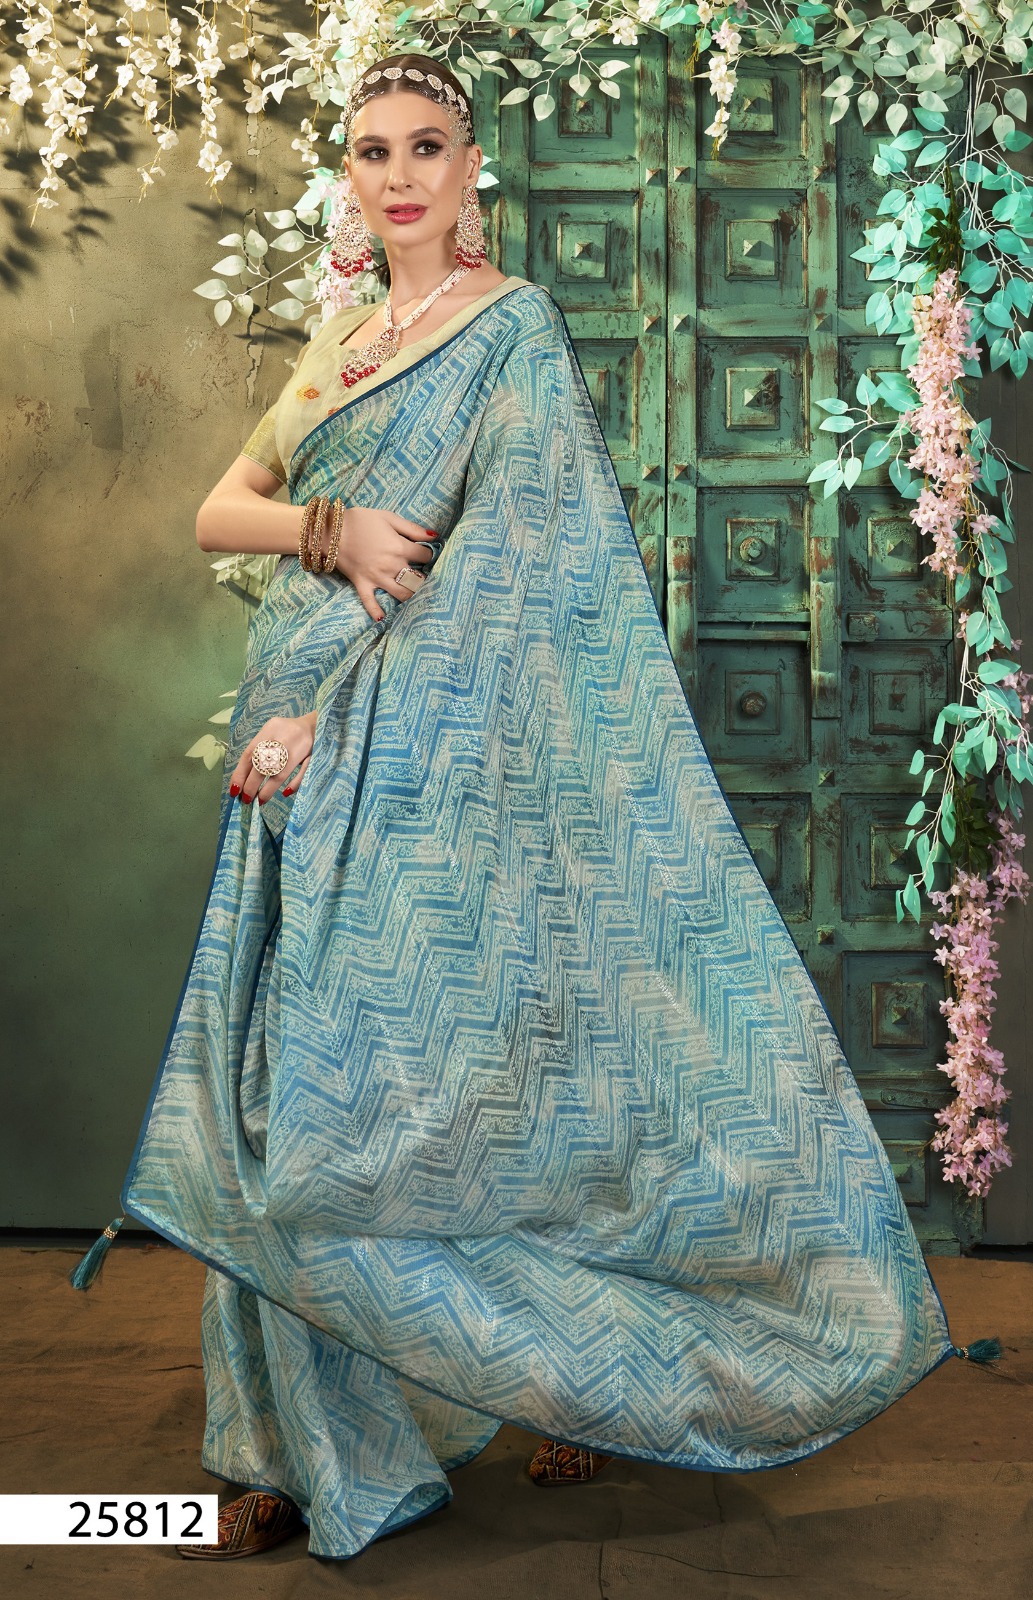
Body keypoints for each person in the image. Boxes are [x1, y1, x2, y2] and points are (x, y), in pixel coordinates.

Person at [72, 50, 1000, 1564]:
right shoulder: (343, 342)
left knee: (417, 1098)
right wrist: (326, 529)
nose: (398, 176)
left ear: (469, 167)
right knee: (275, 1089)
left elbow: (516, 577)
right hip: (286, 758)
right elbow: (214, 511)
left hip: (410, 755)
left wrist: (331, 719)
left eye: (426, 146)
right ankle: (286, 1454)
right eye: (371, 150)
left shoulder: (510, 333)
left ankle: (575, 1376)